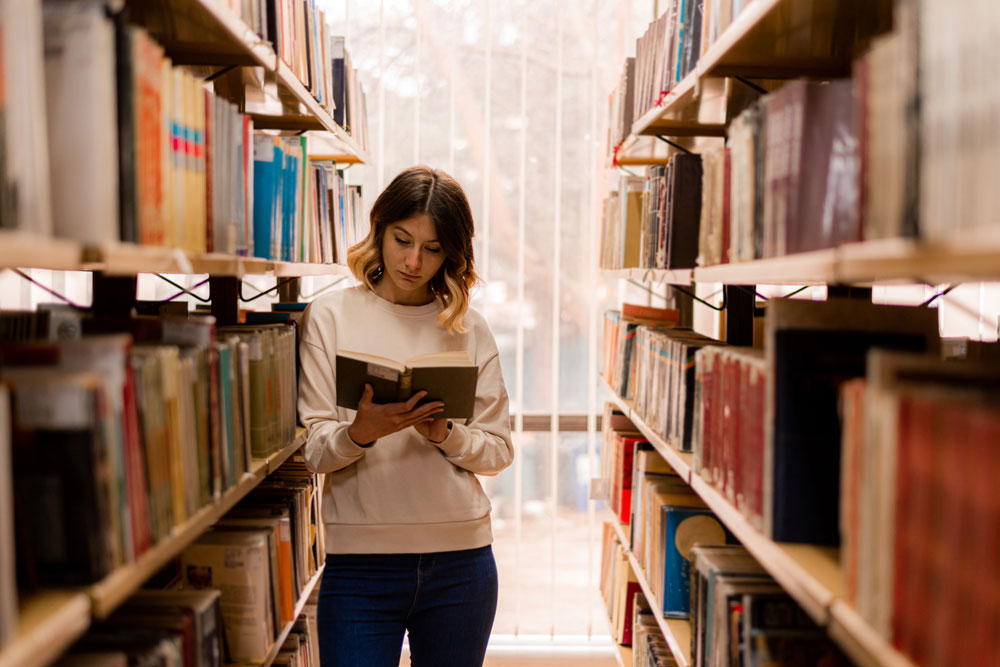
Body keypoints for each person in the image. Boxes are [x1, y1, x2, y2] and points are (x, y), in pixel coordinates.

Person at [297, 165, 514, 667]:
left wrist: (447, 435)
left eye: (433, 248)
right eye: (402, 240)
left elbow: (499, 451)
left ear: (452, 254)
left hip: (461, 562)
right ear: (379, 229)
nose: (414, 260)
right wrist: (359, 434)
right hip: (359, 568)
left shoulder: (469, 329)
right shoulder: (329, 316)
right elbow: (313, 450)